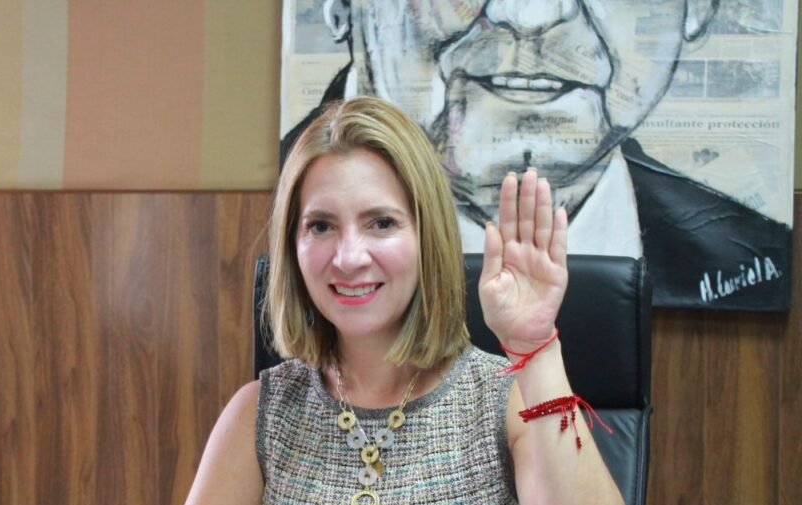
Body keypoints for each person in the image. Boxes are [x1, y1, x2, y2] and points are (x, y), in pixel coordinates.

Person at [166, 96, 632, 505]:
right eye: (320, 226)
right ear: (293, 244)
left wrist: (534, 349)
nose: (348, 256)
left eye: (381, 223)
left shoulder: (498, 395)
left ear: (425, 236)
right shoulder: (263, 411)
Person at [282, 0, 791, 311]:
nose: (532, 15)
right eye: (321, 227)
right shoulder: (261, 272)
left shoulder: (741, 255)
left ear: (699, 7)